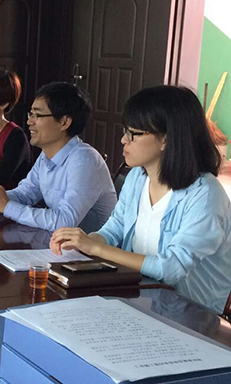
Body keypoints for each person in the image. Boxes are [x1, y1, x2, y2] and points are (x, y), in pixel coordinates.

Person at [51, 85, 231, 315]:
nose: (123, 140)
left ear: (165, 139)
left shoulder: (204, 195)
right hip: (140, 299)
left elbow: (171, 268)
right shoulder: (138, 176)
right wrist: (82, 243)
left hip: (190, 315)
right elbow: (115, 229)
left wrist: (95, 247)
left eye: (133, 133)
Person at [0, 82, 116, 232]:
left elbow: (65, 222)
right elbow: (25, 194)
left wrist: (7, 206)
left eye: (38, 115)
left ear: (64, 122)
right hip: (61, 243)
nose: (29, 122)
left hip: (93, 246)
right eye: (30, 114)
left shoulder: (85, 161)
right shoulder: (46, 156)